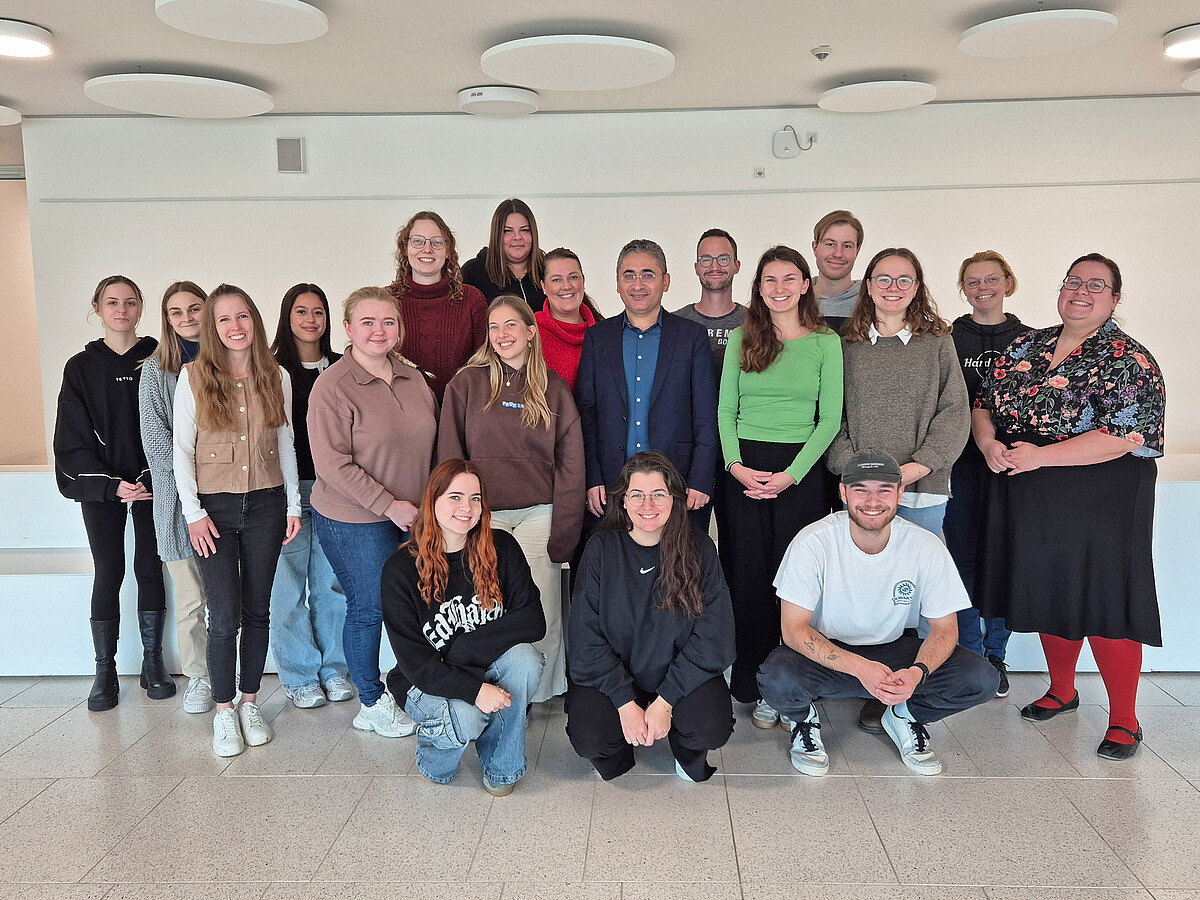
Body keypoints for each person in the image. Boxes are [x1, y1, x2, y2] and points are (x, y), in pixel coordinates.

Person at [974, 254, 1166, 760]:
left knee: (1107, 597)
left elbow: (1125, 437)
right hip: (1031, 488)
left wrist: (1041, 456)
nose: (1081, 292)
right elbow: (983, 405)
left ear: (1115, 298)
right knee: (1048, 586)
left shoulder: (1130, 358)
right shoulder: (1025, 345)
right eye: (1073, 282)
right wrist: (989, 441)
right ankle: (1063, 689)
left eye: (1096, 285)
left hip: (1103, 494)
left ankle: (1125, 718)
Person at [757, 449, 998, 777]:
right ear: (843, 493)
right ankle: (804, 722)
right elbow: (794, 630)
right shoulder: (812, 543)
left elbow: (944, 629)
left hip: (894, 652)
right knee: (776, 677)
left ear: (901, 493)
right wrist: (861, 669)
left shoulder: (926, 546)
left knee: (981, 678)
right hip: (830, 653)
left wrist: (917, 674)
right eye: (861, 490)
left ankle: (905, 715)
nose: (873, 501)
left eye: (884, 490)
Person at [825, 247, 970, 735]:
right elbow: (833, 418)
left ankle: (915, 697)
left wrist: (911, 470)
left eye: (903, 279)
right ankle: (864, 682)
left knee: (925, 598)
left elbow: (955, 414)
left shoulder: (937, 343)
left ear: (917, 286)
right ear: (867, 285)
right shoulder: (845, 344)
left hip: (923, 489)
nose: (892, 287)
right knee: (864, 593)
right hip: (859, 492)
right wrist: (860, 476)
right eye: (882, 279)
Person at [173, 285, 302, 756]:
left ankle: (251, 701)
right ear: (212, 327)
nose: (235, 327)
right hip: (216, 512)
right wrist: (193, 514)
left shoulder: (277, 375)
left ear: (255, 320)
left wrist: (292, 505)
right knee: (223, 614)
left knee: (258, 610)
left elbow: (285, 444)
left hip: (267, 506)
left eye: (242, 316)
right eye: (224, 319)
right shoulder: (192, 378)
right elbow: (181, 452)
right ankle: (224, 709)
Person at [717, 246, 843, 727]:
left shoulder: (825, 342)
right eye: (770, 280)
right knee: (746, 578)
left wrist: (793, 474)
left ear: (805, 284)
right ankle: (749, 680)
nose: (780, 288)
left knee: (794, 584)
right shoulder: (742, 338)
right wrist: (734, 464)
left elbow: (829, 419)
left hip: (801, 471)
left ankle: (788, 686)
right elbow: (725, 411)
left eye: (789, 279)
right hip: (743, 470)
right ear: (758, 287)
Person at [439, 294, 584, 702]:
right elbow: (450, 458)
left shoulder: (553, 388)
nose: (502, 335)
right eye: (494, 327)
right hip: (482, 516)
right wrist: (454, 519)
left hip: (539, 513)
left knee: (544, 611)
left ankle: (541, 693)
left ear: (531, 332)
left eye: (511, 325)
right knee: (485, 610)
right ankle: (493, 689)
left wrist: (565, 531)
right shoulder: (466, 383)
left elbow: (571, 466)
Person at [308, 286, 439, 740]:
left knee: (417, 606)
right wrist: (389, 506)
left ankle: (412, 687)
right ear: (347, 329)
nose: (379, 331)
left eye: (388, 322)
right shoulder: (333, 386)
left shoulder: (412, 377)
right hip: (354, 519)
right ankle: (369, 700)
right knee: (367, 608)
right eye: (367, 322)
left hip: (413, 517)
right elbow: (332, 464)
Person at [566, 451, 735, 782]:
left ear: (674, 499)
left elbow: (716, 635)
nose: (648, 504)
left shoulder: (698, 548)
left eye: (659, 494)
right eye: (637, 495)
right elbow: (584, 637)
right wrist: (624, 703)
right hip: (614, 674)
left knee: (712, 727)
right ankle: (619, 752)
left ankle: (685, 752)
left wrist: (667, 700)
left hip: (675, 674)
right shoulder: (601, 549)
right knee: (590, 736)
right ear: (624, 502)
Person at [381, 459, 546, 795]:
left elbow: (533, 620)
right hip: (422, 680)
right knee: (467, 717)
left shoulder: (501, 548)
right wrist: (475, 691)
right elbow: (416, 665)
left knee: (525, 660)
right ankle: (434, 761)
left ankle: (503, 769)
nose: (466, 508)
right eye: (455, 497)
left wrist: (466, 649)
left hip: (475, 665)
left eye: (475, 498)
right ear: (433, 501)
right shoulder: (400, 569)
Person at [55, 275, 172, 712]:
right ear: (98, 308)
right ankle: (104, 670)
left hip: (152, 483)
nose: (121, 310)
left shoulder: (160, 359)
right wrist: (108, 485)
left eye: (129, 302)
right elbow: (71, 436)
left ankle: (153, 663)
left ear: (141, 308)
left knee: (149, 567)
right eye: (112, 302)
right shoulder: (80, 368)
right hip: (102, 487)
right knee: (109, 570)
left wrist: (148, 477)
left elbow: (170, 422)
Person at [576, 239, 719, 529]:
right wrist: (592, 478)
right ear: (617, 283)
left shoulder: (692, 337)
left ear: (666, 282)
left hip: (677, 485)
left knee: (678, 570)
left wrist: (701, 479)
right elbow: (587, 415)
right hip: (611, 486)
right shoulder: (597, 338)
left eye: (648, 274)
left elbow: (706, 416)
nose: (637, 284)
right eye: (628, 275)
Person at [945, 252, 1031, 698]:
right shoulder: (947, 337)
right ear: (964, 288)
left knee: (1003, 557)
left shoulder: (1032, 341)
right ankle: (968, 648)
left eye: (992, 279)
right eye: (973, 281)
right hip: (959, 465)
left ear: (1008, 282)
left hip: (1014, 466)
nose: (983, 287)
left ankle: (996, 652)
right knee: (961, 560)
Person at [268, 283, 353, 709]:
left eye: (318, 311)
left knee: (332, 584)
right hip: (288, 490)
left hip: (336, 490)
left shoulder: (343, 366)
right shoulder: (270, 369)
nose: (310, 320)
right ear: (287, 317)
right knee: (285, 587)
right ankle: (299, 675)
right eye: (300, 311)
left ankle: (334, 670)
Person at [139, 280, 211, 713]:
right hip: (175, 503)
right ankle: (199, 677)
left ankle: (229, 673)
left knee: (226, 600)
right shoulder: (154, 370)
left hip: (226, 498)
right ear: (166, 320)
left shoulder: (229, 362)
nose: (187, 318)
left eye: (195, 308)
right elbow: (155, 437)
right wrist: (194, 480)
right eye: (176, 312)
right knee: (191, 601)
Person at [387, 210, 488, 403]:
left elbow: (486, 367)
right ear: (405, 247)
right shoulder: (386, 300)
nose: (427, 249)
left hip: (460, 416)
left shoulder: (471, 300)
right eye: (418, 241)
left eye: (437, 242)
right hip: (399, 417)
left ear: (448, 249)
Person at [673, 228, 746, 373]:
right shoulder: (674, 323)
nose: (715, 267)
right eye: (706, 260)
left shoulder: (755, 322)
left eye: (723, 259)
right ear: (696, 268)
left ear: (736, 265)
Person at [461, 198, 548, 311]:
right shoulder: (473, 273)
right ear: (497, 235)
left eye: (525, 230)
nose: (517, 237)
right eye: (508, 231)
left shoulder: (549, 270)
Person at [535, 247, 602, 392]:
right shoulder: (531, 334)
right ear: (544, 286)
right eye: (556, 280)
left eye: (573, 277)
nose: (566, 286)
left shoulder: (605, 332)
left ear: (583, 281)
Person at [811, 210, 864, 334]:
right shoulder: (795, 298)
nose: (838, 254)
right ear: (815, 248)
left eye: (847, 246)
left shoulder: (873, 298)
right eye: (830, 244)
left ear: (857, 251)